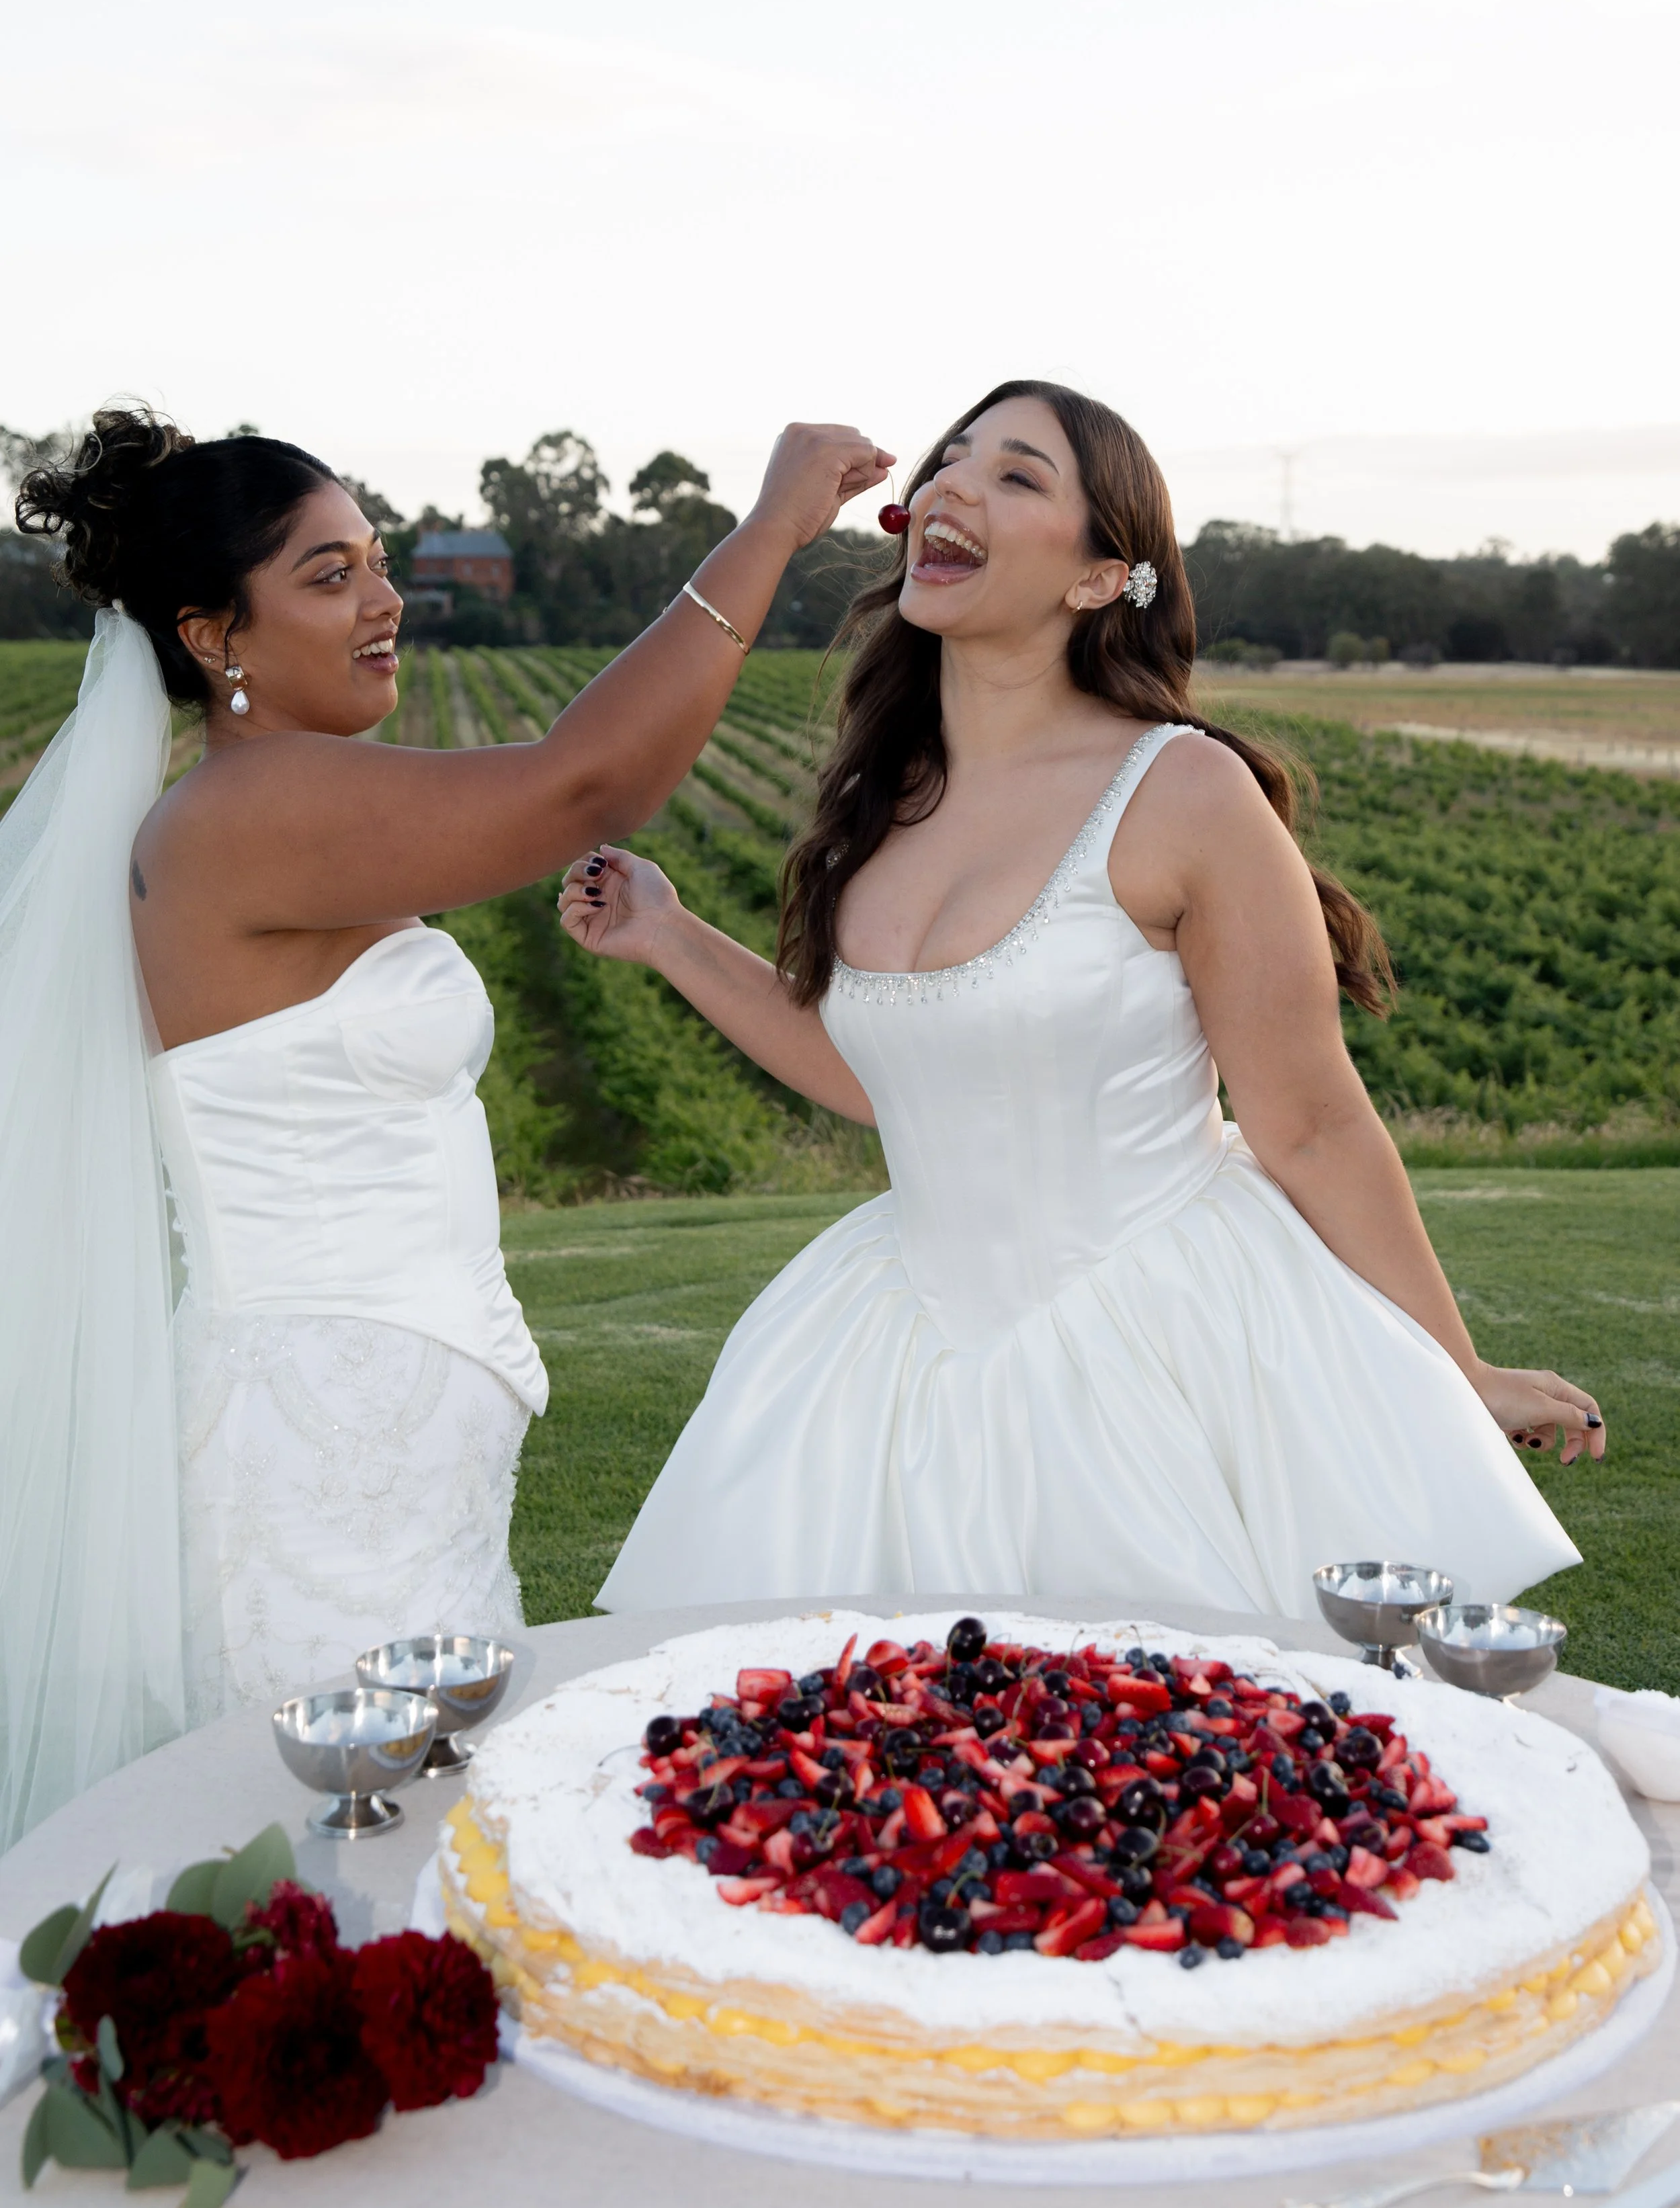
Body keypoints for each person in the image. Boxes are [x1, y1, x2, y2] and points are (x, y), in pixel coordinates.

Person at [560, 381, 1598, 1619]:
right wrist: (671, 937)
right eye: (952, 458)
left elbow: (1311, 1119)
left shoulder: (1186, 792)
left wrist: (1455, 1368)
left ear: (1103, 577)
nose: (954, 483)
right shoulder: (884, 798)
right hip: (894, 1349)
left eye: (1017, 474)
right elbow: (884, 1079)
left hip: (1153, 1347)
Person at [0, 405, 888, 1839]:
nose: (384, 598)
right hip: (319, 1460)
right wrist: (771, 526)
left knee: (422, 1835)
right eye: (329, 574)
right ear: (215, 636)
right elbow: (584, 779)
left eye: (377, 560)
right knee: (359, 1842)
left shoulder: (290, 804)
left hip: (388, 1445)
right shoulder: (248, 814)